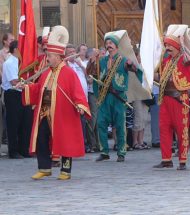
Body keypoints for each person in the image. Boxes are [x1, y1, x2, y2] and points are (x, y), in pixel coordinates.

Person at [19, 26, 90, 180]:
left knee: (64, 139)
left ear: (58, 56)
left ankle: (65, 170)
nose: (47, 57)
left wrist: (81, 105)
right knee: (42, 138)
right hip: (44, 111)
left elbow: (77, 91)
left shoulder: (69, 73)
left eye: (50, 55)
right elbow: (38, 89)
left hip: (62, 113)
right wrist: (26, 87)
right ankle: (44, 167)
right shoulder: (46, 72)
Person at [154, 25, 190, 170]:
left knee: (181, 130)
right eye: (166, 45)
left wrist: (183, 43)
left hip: (179, 99)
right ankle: (166, 159)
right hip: (165, 98)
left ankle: (182, 160)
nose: (167, 48)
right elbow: (162, 78)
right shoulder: (166, 61)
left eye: (169, 45)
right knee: (164, 128)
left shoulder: (184, 58)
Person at [87, 31, 142, 163]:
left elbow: (135, 69)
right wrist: (92, 61)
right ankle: (104, 151)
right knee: (101, 123)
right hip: (104, 97)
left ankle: (121, 152)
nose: (108, 45)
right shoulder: (102, 60)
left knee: (120, 125)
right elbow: (90, 73)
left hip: (118, 97)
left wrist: (131, 64)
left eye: (111, 43)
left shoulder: (123, 60)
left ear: (116, 46)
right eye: (107, 43)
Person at [2, 40, 31, 158]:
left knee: (25, 122)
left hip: (24, 92)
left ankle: (24, 149)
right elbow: (14, 81)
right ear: (15, 49)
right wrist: (28, 83)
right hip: (13, 94)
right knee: (13, 123)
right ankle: (13, 151)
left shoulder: (23, 63)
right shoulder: (9, 63)